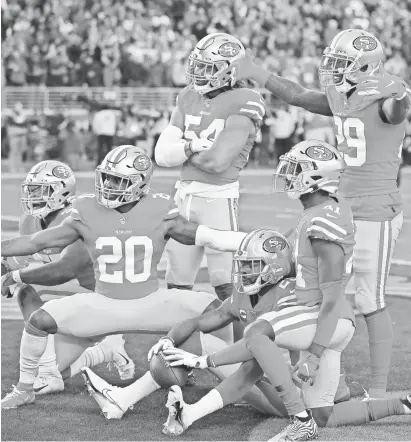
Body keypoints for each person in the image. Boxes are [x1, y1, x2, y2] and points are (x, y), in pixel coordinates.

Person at [217, 29, 411, 400]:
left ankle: (379, 390)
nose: (334, 70)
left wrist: (400, 93)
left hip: (376, 210)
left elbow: (396, 110)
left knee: (371, 300)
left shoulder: (386, 97)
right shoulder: (342, 94)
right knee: (311, 288)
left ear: (365, 68)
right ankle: (324, 381)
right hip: (338, 206)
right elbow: (300, 97)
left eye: (342, 64)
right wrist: (256, 72)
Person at [0, 144, 246, 409]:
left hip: (144, 301)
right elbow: (37, 242)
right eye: (106, 177)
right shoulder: (87, 209)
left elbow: (207, 236)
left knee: (217, 309)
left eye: (117, 180)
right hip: (111, 302)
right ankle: (25, 389)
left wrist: (247, 240)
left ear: (138, 184)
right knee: (38, 321)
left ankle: (233, 379)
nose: (108, 185)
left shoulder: (159, 209)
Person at [163, 140, 357, 440]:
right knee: (322, 413)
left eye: (296, 169)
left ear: (316, 178)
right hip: (317, 309)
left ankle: (299, 420)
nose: (288, 174)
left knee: (256, 334)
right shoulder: (327, 208)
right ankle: (403, 405)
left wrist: (315, 355)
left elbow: (331, 296)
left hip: (323, 312)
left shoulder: (321, 224)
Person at [80, 229, 294, 420]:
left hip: (288, 392)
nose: (245, 273)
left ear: (275, 269)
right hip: (257, 379)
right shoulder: (247, 296)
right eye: (244, 265)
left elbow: (256, 352)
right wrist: (169, 339)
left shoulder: (290, 299)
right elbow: (198, 322)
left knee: (236, 353)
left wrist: (204, 361)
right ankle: (122, 400)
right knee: (188, 340)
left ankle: (124, 399)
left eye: (252, 266)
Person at [2, 160, 135, 396]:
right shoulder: (31, 220)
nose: (32, 196)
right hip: (74, 301)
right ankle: (105, 351)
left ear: (60, 191)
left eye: (39, 190)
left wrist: (15, 275)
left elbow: (64, 270)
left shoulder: (77, 217)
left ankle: (99, 346)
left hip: (103, 302)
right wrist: (7, 267)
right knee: (51, 373)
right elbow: (23, 257)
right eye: (31, 190)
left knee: (27, 289)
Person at [155, 33, 266, 308]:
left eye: (208, 67)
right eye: (197, 65)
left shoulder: (246, 99)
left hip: (218, 198)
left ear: (230, 71)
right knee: (176, 282)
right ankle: (178, 344)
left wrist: (182, 149)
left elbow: (217, 163)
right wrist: (194, 146)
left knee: (226, 283)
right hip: (183, 197)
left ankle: (239, 346)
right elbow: (160, 155)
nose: (198, 73)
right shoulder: (188, 95)